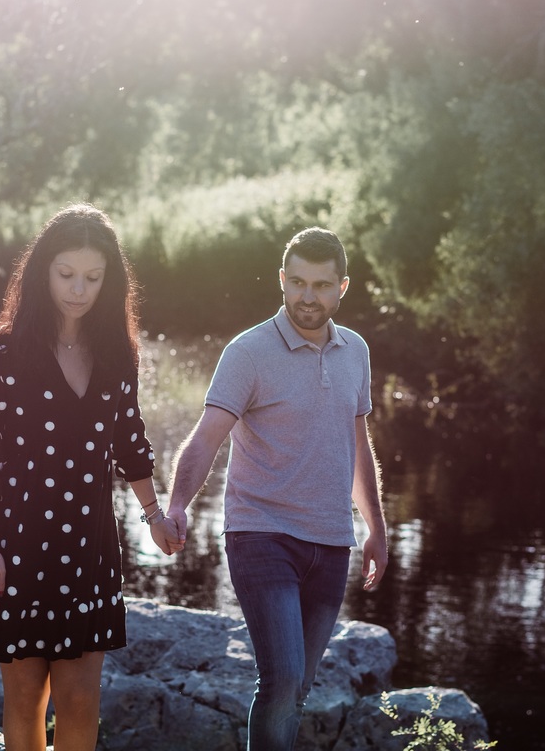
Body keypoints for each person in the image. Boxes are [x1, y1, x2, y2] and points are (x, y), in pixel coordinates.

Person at [0, 203, 182, 751]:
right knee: (26, 697)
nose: (79, 289)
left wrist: (155, 515)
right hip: (15, 544)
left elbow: (131, 442)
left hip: (88, 545)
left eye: (93, 278)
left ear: (110, 281)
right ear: (42, 273)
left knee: (80, 700)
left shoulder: (115, 353)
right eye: (66, 274)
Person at [165, 226, 389, 751]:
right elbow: (206, 439)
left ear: (342, 288)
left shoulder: (355, 351)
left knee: (299, 688)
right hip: (260, 535)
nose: (308, 297)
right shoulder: (249, 352)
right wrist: (176, 504)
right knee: (283, 678)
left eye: (321, 285)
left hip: (332, 542)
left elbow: (357, 445)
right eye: (298, 283)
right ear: (281, 280)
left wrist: (376, 527)